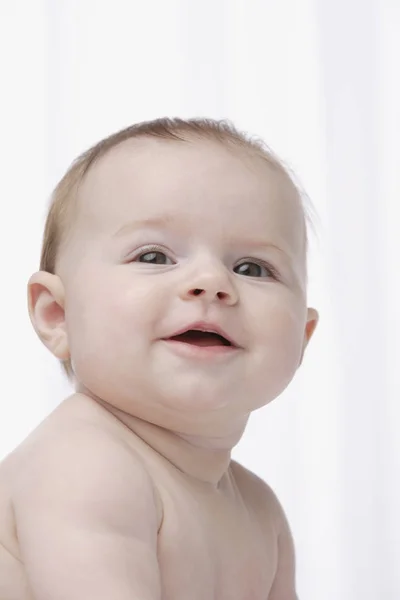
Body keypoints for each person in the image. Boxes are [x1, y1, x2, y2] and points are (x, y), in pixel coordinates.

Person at [0, 117, 318, 599]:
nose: (211, 282)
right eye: (154, 257)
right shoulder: (85, 466)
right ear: (58, 315)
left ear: (303, 338)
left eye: (252, 267)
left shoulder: (259, 511)